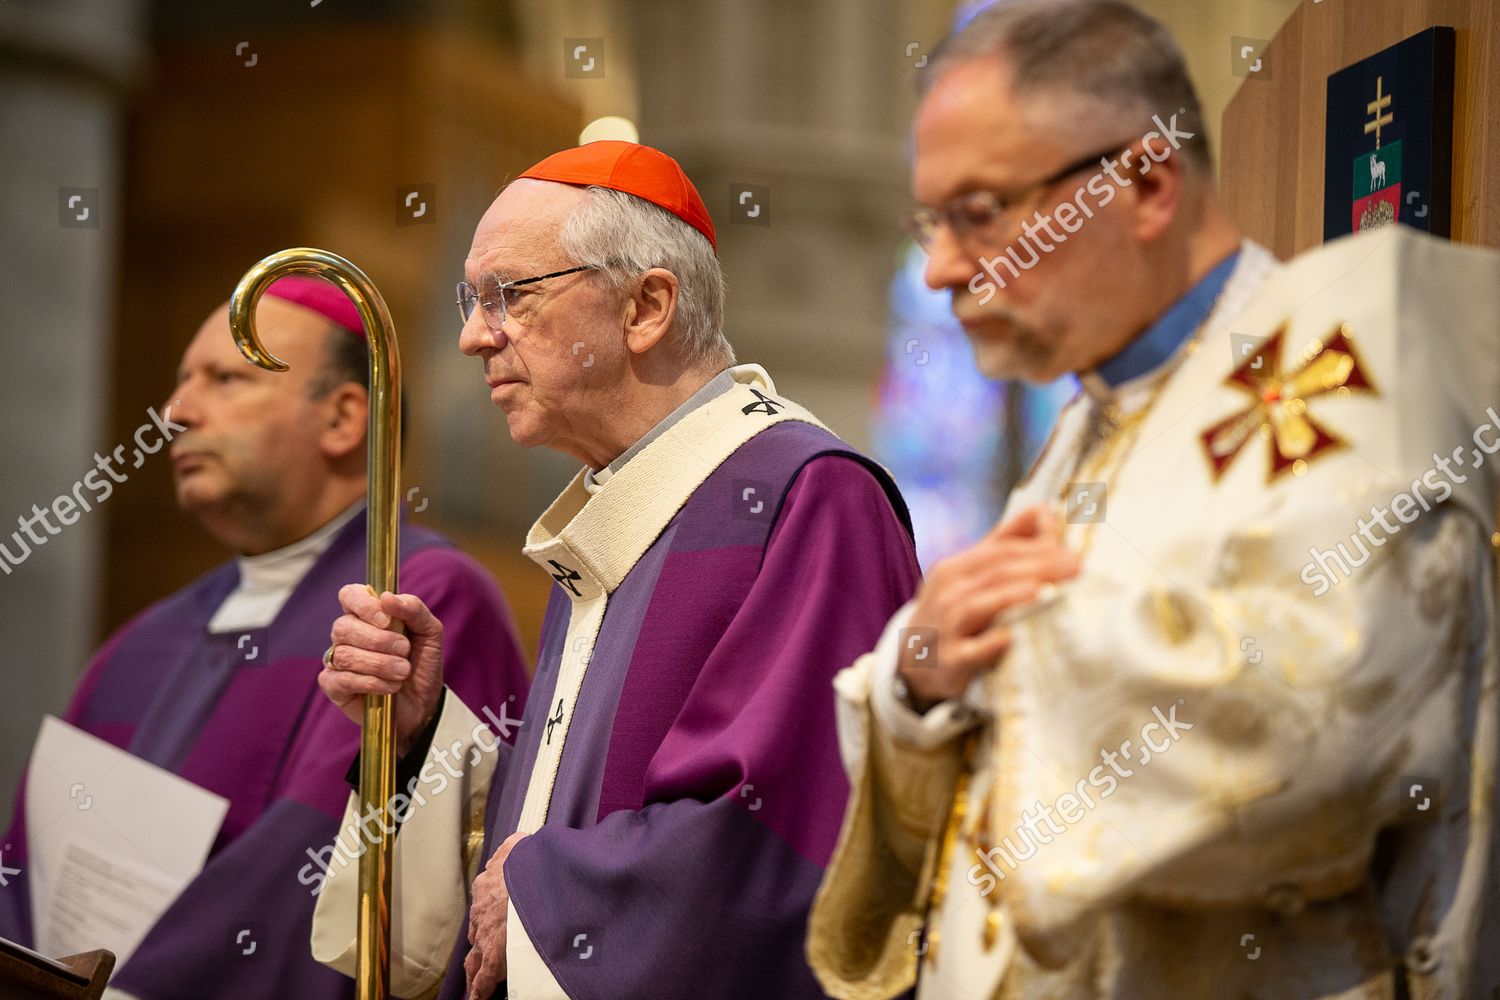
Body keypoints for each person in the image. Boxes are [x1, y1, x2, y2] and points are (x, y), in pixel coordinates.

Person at [806, 2, 1500, 998]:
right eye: (932, 220)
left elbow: (1306, 720)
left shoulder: (1335, 367)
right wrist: (918, 673)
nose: (944, 267)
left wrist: (1007, 658)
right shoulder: (1094, 418)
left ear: (1142, 183)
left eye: (978, 213)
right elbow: (959, 666)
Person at [311, 140, 922, 999]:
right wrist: (417, 741)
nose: (471, 335)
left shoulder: (805, 497)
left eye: (508, 295)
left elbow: (786, 840)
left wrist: (544, 892)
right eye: (470, 298)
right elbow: (565, 820)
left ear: (646, 306)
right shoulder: (614, 518)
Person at [0, 277, 529, 1000]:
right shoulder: (143, 638)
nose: (176, 412)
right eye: (183, 382)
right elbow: (26, 866)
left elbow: (316, 873)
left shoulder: (416, 598)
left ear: (345, 417)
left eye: (225, 378)